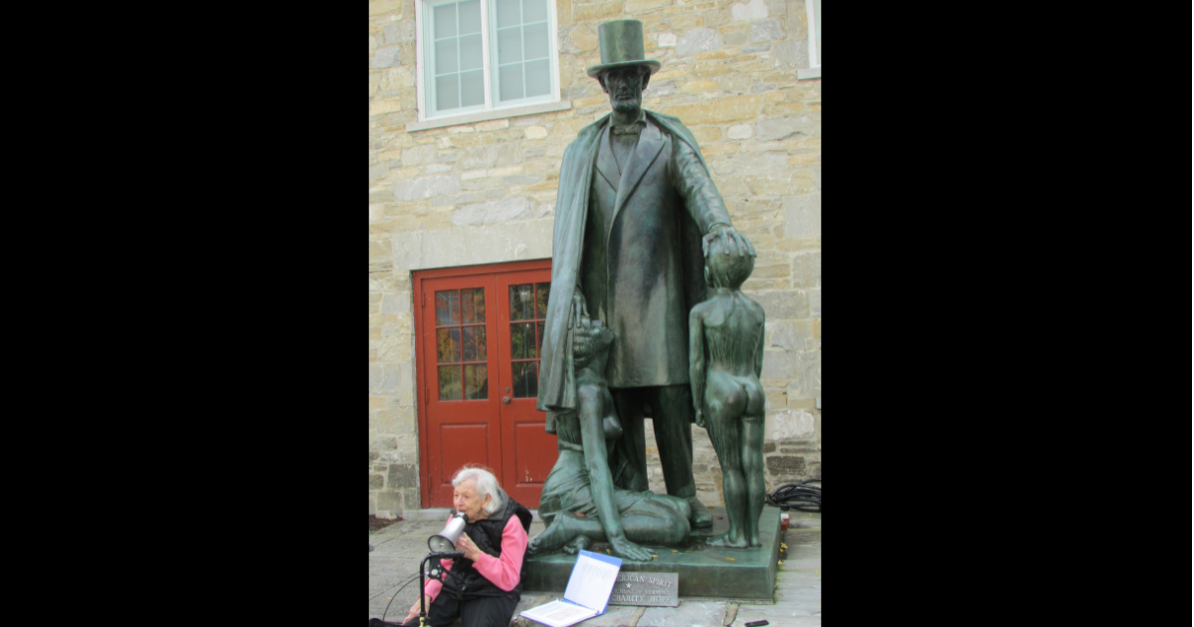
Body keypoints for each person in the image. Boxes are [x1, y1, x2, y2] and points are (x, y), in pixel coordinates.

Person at [537, 19, 755, 530]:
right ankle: (633, 492)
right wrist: (573, 303)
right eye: (615, 79)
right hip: (607, 306)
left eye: (633, 77)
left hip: (658, 301)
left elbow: (701, 191)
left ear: (645, 81)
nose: (625, 86)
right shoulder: (583, 151)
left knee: (671, 401)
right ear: (603, 86)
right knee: (626, 406)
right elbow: (569, 237)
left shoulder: (668, 140)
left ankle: (685, 494)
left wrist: (720, 226)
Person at [529, 298, 691, 560]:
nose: (598, 322)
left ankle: (582, 531)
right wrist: (617, 537)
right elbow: (596, 468)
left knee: (683, 508)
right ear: (586, 346)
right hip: (573, 488)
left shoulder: (596, 383)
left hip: (583, 488)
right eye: (588, 325)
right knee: (676, 527)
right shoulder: (588, 392)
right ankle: (572, 525)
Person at [689, 233, 767, 548]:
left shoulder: (703, 312)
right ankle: (753, 533)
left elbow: (697, 364)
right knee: (754, 464)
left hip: (722, 389)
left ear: (711, 269)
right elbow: (757, 361)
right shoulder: (756, 311)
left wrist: (697, 404)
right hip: (752, 387)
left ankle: (737, 535)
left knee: (732, 466)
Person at [402, 467, 532, 627]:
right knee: (415, 624)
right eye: (456, 495)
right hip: (457, 584)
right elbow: (444, 565)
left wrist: (476, 555)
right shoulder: (456, 518)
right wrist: (426, 595)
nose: (458, 503)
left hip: (493, 591)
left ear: (486, 499)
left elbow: (509, 578)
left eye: (466, 497)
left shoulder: (511, 523)